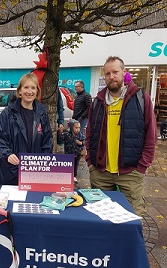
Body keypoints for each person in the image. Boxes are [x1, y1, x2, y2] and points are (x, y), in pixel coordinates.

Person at [85, 56, 157, 216]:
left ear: (124, 72)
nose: (111, 76)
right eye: (107, 73)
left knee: (131, 218)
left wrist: (141, 167)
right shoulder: (98, 101)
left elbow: (151, 134)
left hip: (130, 173)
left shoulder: (140, 97)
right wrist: (90, 162)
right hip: (100, 173)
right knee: (101, 217)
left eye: (115, 72)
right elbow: (90, 133)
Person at [0, 73, 53, 186]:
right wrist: (7, 154)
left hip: (35, 172)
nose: (29, 91)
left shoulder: (42, 114)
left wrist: (44, 162)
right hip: (12, 172)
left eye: (33, 88)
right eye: (26, 87)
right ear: (19, 91)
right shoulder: (8, 113)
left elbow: (48, 141)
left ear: (37, 92)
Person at [62, 119, 85, 184]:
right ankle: (68, 176)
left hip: (77, 153)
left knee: (75, 165)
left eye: (79, 128)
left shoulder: (80, 135)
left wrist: (80, 143)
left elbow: (84, 141)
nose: (78, 129)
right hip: (69, 153)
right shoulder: (67, 134)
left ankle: (74, 176)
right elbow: (61, 138)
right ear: (72, 127)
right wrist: (60, 132)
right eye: (76, 128)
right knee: (69, 165)